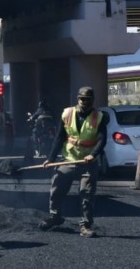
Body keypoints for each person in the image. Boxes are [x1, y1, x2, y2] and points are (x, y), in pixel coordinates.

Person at [39, 86, 109, 238]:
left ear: (92, 101)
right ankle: (55, 217)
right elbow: (59, 138)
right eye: (82, 99)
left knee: (86, 194)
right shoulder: (67, 114)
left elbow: (102, 139)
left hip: (88, 162)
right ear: (77, 99)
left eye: (88, 99)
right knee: (57, 188)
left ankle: (85, 225)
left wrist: (93, 154)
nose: (84, 102)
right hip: (68, 160)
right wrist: (50, 159)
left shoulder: (99, 116)